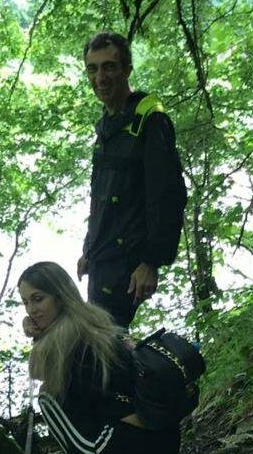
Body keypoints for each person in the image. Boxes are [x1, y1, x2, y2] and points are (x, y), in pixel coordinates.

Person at [18, 261, 179, 454]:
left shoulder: (65, 337)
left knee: (47, 397)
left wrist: (36, 334)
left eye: (38, 299)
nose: (31, 310)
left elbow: (37, 373)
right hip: (167, 447)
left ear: (60, 296)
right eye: (25, 302)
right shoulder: (93, 320)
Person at [77, 31, 187, 328]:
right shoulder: (108, 124)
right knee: (98, 339)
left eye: (109, 67)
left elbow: (168, 195)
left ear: (127, 70)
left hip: (127, 264)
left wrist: (151, 261)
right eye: (92, 69)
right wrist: (88, 249)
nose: (100, 77)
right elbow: (101, 198)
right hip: (101, 258)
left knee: (104, 340)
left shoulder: (149, 120)